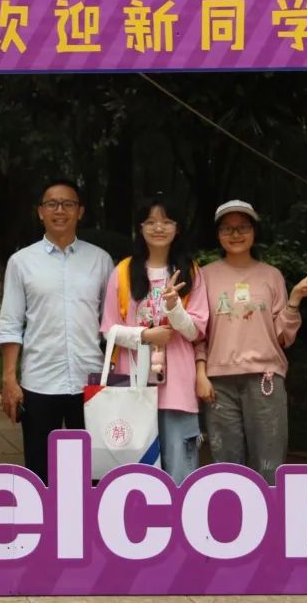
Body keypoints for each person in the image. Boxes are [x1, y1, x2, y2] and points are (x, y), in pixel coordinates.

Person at [194, 200, 307, 484]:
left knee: (269, 462)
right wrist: (200, 372)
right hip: (218, 383)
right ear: (218, 234)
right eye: (227, 228)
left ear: (254, 232)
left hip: (265, 378)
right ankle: (231, 512)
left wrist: (294, 300)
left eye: (243, 227)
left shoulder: (271, 275)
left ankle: (271, 511)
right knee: (226, 465)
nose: (235, 234)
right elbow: (198, 331)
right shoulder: (204, 276)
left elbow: (282, 337)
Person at [0, 179, 115, 484]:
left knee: (94, 473)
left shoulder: (100, 260)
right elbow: (10, 323)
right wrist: (9, 379)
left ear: (80, 211)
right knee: (40, 472)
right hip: (40, 380)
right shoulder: (21, 262)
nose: (60, 210)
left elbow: (111, 324)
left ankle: (89, 516)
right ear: (41, 212)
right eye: (52, 204)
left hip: (90, 381)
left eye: (68, 204)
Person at [100, 194, 209, 484]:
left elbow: (196, 331)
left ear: (178, 228)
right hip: (133, 385)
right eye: (150, 221)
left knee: (180, 469)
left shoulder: (191, 272)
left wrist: (174, 308)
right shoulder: (123, 272)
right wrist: (145, 335)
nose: (158, 227)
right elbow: (109, 330)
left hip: (178, 387)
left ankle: (180, 513)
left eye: (166, 221)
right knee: (136, 472)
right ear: (140, 228)